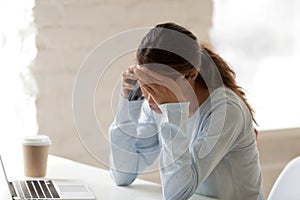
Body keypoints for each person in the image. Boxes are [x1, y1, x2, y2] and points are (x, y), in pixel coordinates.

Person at [109, 22, 265, 200]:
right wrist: (129, 104)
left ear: (192, 74)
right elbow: (122, 174)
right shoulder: (156, 104)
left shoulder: (226, 111)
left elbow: (177, 194)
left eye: (160, 87)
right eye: (146, 86)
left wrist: (173, 112)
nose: (151, 99)